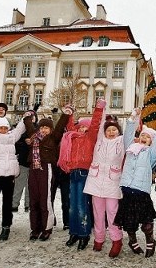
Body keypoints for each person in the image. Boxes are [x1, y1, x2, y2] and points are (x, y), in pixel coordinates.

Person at [113, 108, 156, 258]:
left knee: (146, 222)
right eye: (142, 135)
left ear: (151, 141)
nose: (144, 137)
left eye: (148, 137)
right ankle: (132, 241)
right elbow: (128, 136)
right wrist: (133, 118)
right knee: (129, 221)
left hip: (141, 192)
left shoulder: (151, 154)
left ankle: (150, 241)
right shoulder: (130, 149)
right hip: (126, 189)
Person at [83, 114, 133, 258]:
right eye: (108, 130)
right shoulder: (99, 140)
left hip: (113, 182)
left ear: (118, 131)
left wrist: (132, 119)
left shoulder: (121, 142)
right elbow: (97, 125)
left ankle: (116, 240)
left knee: (112, 212)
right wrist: (101, 109)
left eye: (114, 130)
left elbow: (130, 133)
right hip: (96, 181)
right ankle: (99, 238)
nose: (111, 132)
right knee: (98, 213)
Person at [58, 99, 105, 250]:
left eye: (86, 126)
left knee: (82, 204)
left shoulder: (90, 138)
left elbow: (96, 124)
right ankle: (74, 232)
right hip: (73, 172)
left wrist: (98, 109)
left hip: (84, 172)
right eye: (81, 126)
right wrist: (69, 112)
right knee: (72, 205)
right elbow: (69, 124)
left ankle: (84, 234)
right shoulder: (72, 136)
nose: (82, 129)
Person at [23, 106, 72, 241]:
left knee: (45, 199)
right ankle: (35, 228)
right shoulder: (34, 136)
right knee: (34, 199)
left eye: (47, 128)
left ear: (51, 129)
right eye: (42, 127)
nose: (44, 130)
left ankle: (46, 227)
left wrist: (66, 114)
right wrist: (28, 116)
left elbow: (61, 125)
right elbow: (28, 125)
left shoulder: (54, 138)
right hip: (34, 168)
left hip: (46, 168)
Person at [0, 111, 27, 242]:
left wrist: (26, 117)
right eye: (0, 127)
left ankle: (6, 227)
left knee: (8, 203)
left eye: (5, 127)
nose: (3, 130)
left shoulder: (10, 137)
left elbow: (19, 129)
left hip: (9, 174)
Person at [12, 105, 39, 214]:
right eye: (30, 116)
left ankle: (29, 204)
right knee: (19, 185)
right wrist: (24, 142)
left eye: (33, 116)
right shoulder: (20, 131)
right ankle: (14, 204)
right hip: (23, 160)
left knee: (30, 186)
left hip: (33, 161)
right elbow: (16, 144)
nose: (32, 119)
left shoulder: (37, 129)